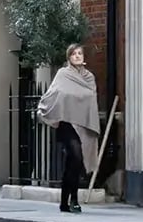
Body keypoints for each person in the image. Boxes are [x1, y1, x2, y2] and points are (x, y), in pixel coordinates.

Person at [36, 43, 100, 213]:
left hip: (83, 124)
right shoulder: (63, 74)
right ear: (69, 57)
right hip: (67, 124)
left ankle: (66, 201)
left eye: (80, 53)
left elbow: (90, 98)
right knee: (76, 156)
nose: (77, 56)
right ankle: (73, 199)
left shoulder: (89, 78)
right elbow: (55, 93)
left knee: (74, 163)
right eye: (74, 54)